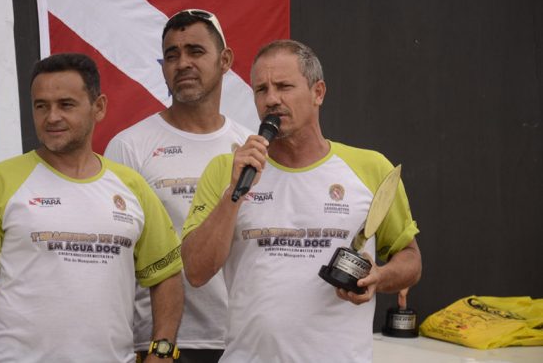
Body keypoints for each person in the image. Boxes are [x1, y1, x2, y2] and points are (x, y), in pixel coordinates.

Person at [181, 40, 422, 362]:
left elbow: (410, 259)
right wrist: (233, 194)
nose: (271, 99)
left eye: (284, 86)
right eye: (261, 89)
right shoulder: (227, 168)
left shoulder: (371, 168)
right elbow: (196, 272)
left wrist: (379, 277)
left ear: (318, 92)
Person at [0, 53, 183, 363]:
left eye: (65, 105)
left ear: (98, 107)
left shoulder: (132, 186)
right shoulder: (1, 181)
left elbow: (166, 276)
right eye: (41, 106)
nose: (52, 117)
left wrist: (161, 352)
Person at [105, 9, 252, 363]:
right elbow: (113, 260)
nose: (183, 63)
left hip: (240, 340)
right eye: (172, 55)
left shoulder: (250, 147)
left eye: (195, 51)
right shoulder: (129, 146)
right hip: (157, 346)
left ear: (225, 60)